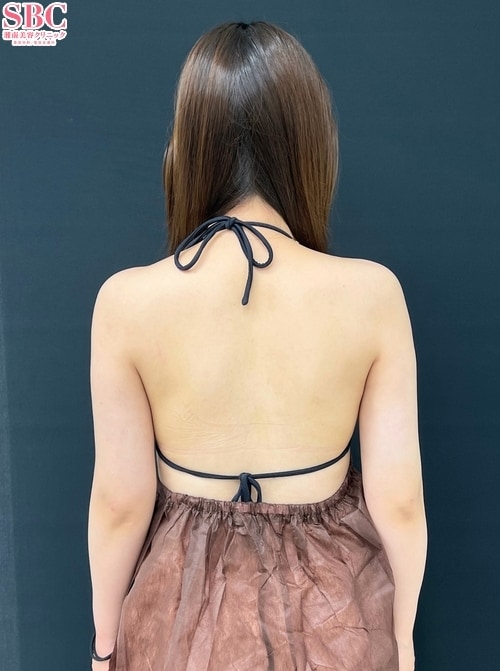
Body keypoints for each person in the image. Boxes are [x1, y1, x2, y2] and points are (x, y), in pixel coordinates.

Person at [88, 21, 427, 671]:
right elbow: (401, 502)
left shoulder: (126, 302)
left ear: (188, 147)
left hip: (181, 613)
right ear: (308, 145)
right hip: (335, 612)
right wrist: (403, 639)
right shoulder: (373, 294)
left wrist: (104, 650)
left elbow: (120, 505)